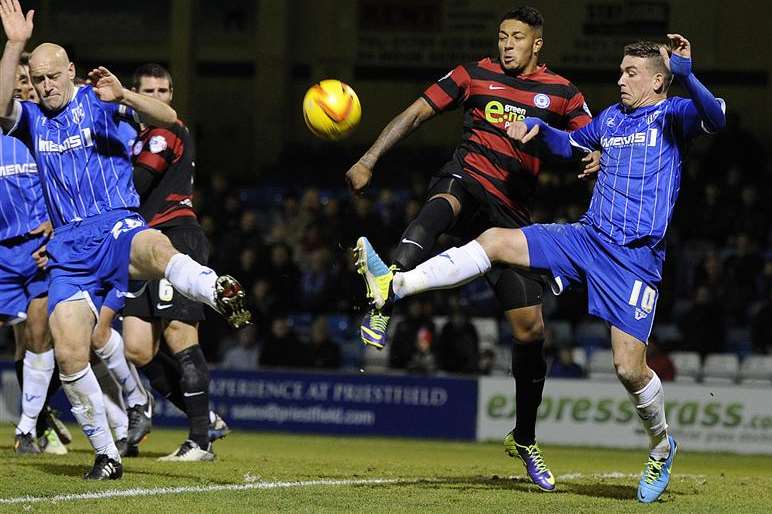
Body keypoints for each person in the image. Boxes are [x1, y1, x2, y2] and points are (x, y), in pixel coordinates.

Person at [354, 34, 725, 503]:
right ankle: (395, 284)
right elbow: (569, 145)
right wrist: (536, 128)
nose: (620, 79)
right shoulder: (611, 119)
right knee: (493, 242)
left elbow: (717, 117)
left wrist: (688, 74)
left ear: (658, 81)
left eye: (631, 73)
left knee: (629, 369)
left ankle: (660, 445)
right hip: (588, 237)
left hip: (634, 258)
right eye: (620, 70)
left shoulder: (673, 115)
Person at [347, 6, 597, 491]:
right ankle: (386, 292)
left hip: (512, 219)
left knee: (530, 331)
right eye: (502, 36)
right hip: (469, 179)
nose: (506, 44)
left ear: (536, 44)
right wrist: (368, 158)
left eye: (517, 37)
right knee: (447, 198)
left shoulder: (563, 93)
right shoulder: (472, 75)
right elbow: (416, 112)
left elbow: (590, 138)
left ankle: (524, 437)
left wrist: (595, 158)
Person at [0, 0, 249, 480]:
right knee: (70, 351)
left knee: (154, 248)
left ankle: (214, 288)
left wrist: (127, 97)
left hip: (113, 224)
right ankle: (107, 455)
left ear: (71, 71)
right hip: (69, 248)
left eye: (54, 77)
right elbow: (0, 105)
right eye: (39, 78)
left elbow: (170, 118)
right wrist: (14, 46)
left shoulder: (102, 100)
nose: (47, 86)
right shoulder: (31, 119)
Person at [92, 63, 226, 462]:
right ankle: (207, 418)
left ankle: (199, 441)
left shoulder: (170, 131)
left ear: (171, 96)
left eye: (162, 91)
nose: (156, 98)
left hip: (175, 235)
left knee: (180, 335)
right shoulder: (135, 137)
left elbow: (138, 185)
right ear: (133, 93)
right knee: (137, 348)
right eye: (147, 91)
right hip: (139, 244)